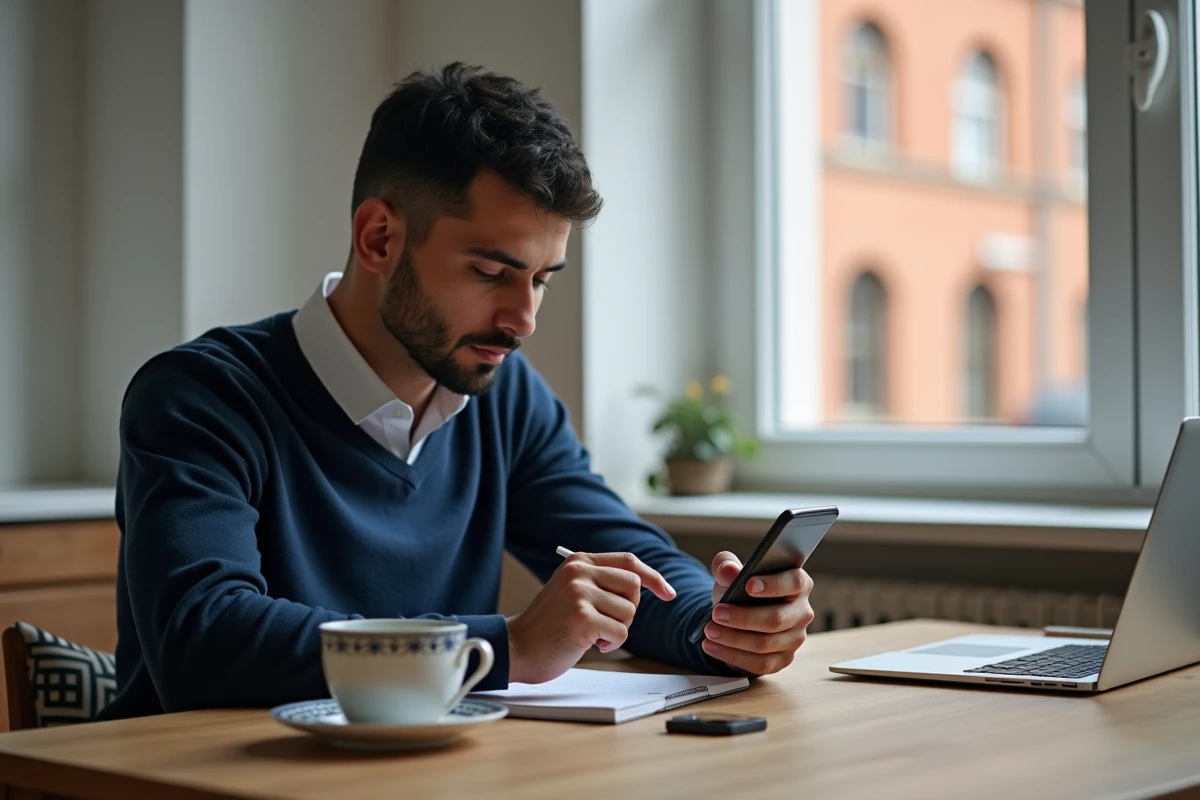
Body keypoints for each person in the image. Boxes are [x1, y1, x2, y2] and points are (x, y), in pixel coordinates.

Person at [99, 63, 815, 719]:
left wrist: (719, 625)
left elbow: (628, 559)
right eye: (490, 272)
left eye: (540, 279)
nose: (523, 320)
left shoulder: (503, 396)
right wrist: (500, 647)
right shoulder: (199, 397)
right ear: (379, 239)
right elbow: (204, 638)